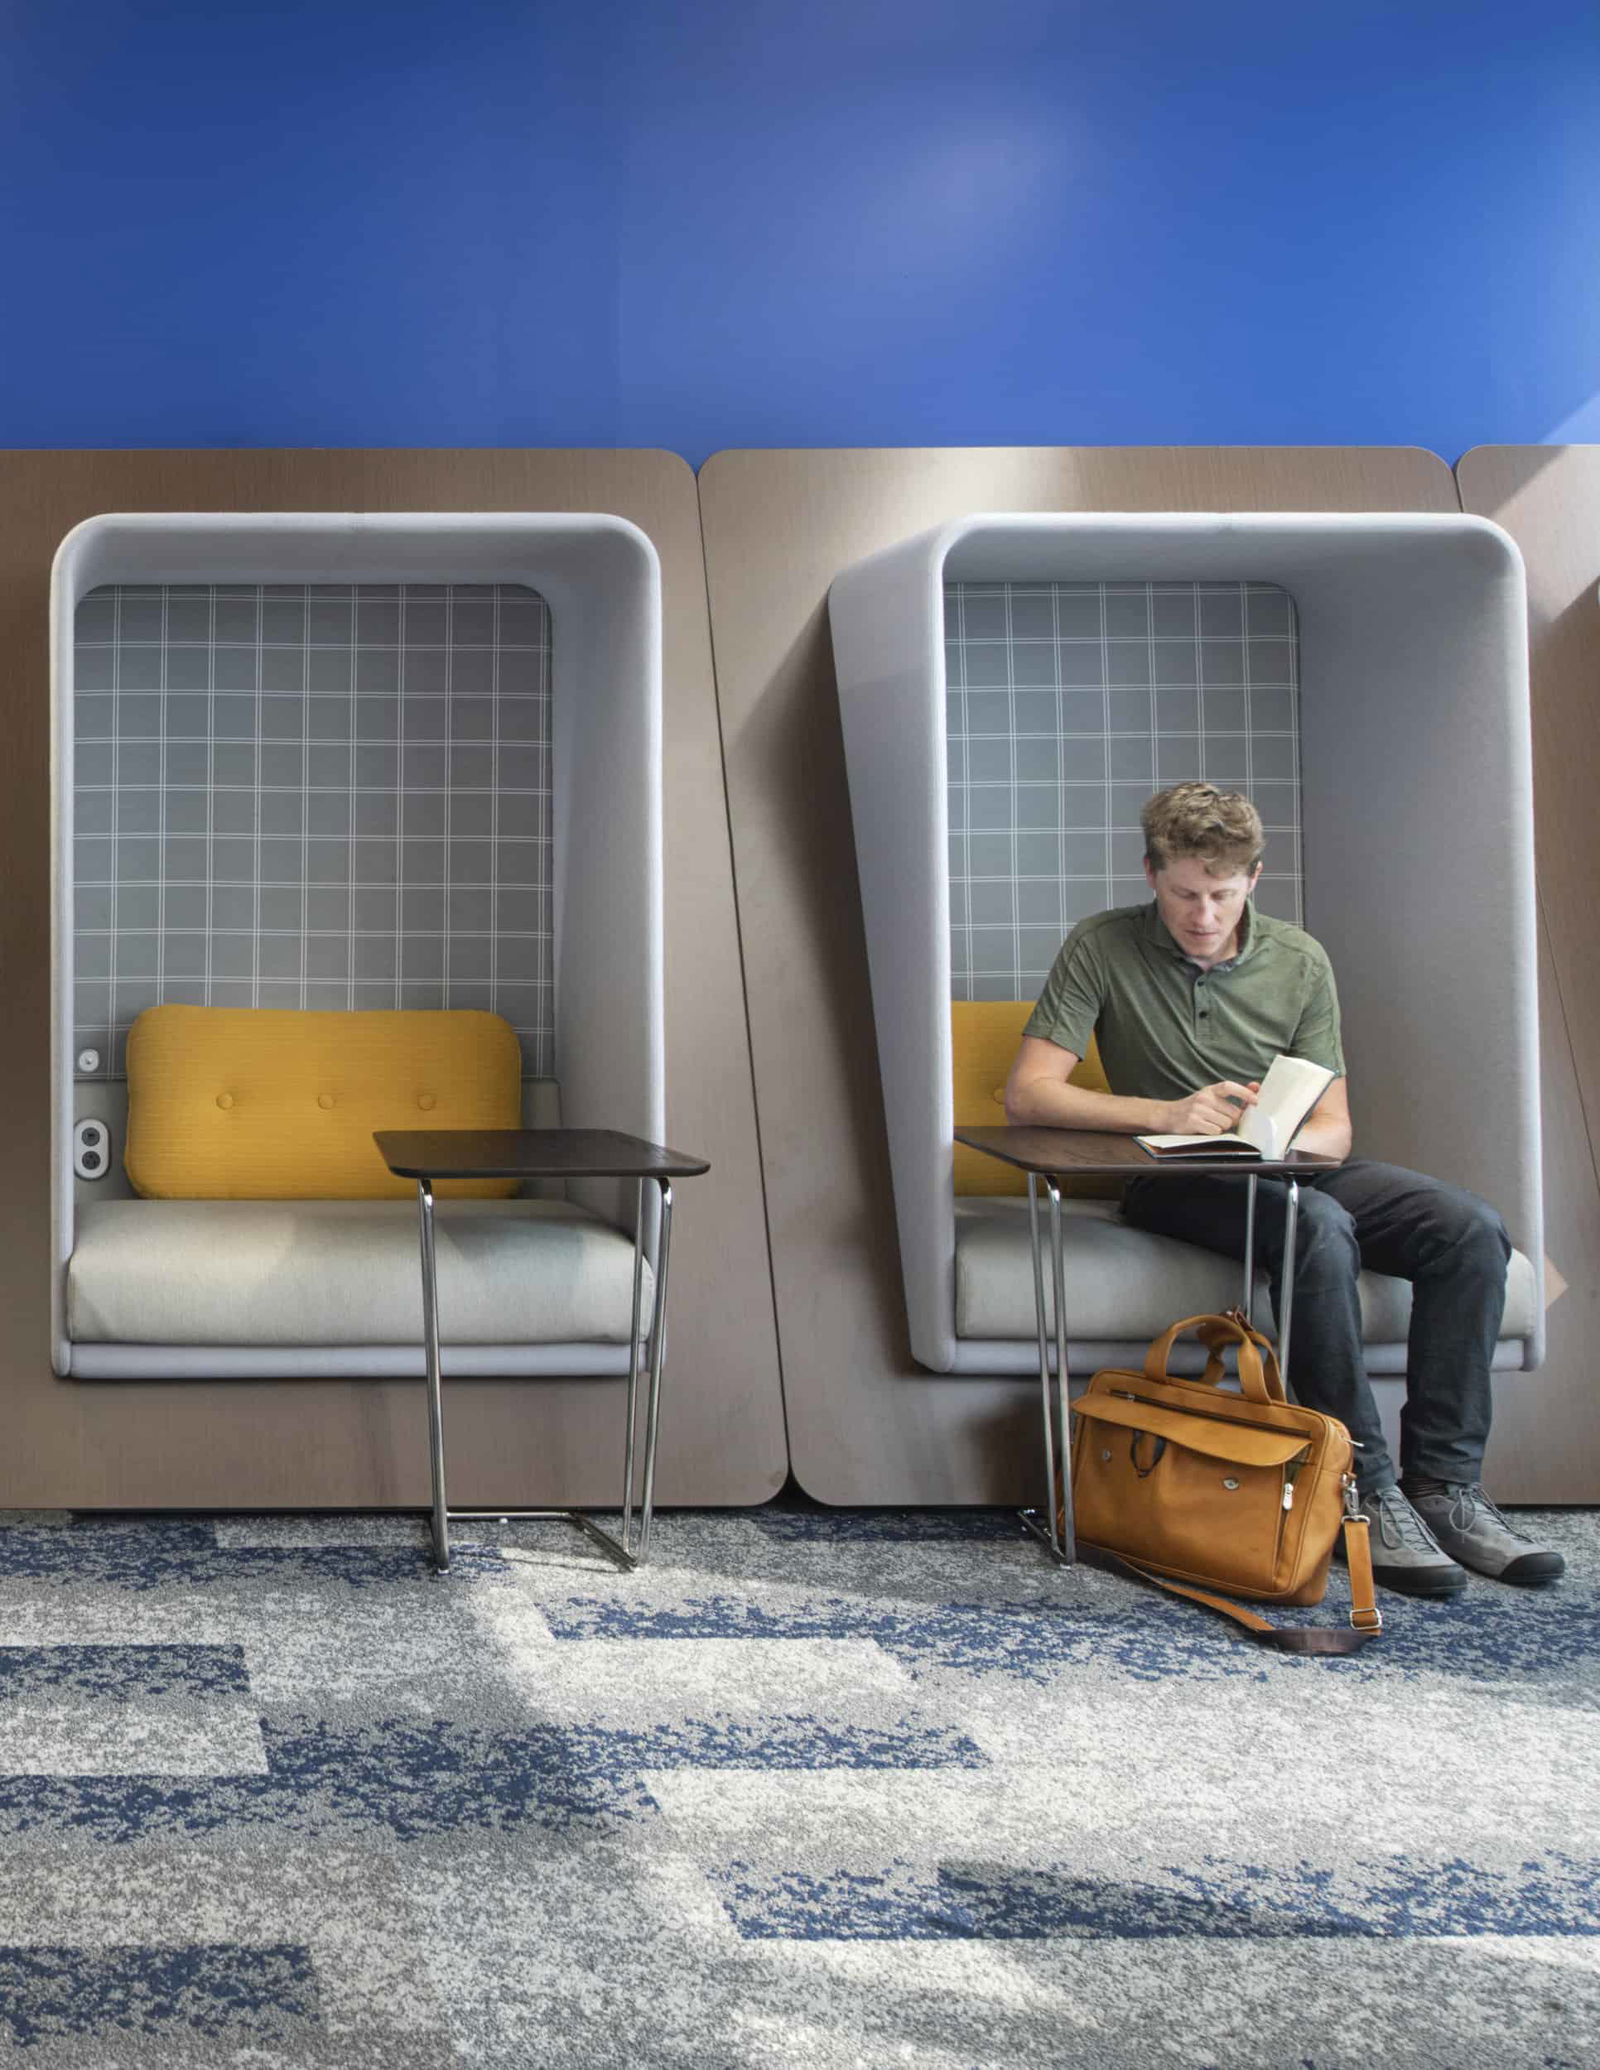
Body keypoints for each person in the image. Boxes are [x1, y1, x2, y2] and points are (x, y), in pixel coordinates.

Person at [1004, 780, 1563, 1597]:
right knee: (1320, 1227)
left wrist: (1285, 1137)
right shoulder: (1102, 944)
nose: (1202, 915)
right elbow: (1029, 1093)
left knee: (1471, 1229)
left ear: (1253, 880)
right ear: (1152, 873)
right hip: (1167, 1174)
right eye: (1186, 893)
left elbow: (1338, 1128)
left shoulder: (1299, 959)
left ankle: (1443, 1489)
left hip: (1287, 1165)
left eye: (1222, 895)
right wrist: (1173, 1112)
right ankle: (1360, 1491)